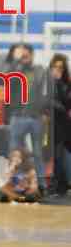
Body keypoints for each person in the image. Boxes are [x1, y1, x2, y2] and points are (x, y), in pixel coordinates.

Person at [7, 43, 48, 194]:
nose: (23, 57)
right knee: (15, 153)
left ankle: (41, 185)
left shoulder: (39, 70)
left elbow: (44, 92)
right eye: (21, 55)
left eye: (26, 54)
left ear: (31, 55)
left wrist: (43, 111)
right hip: (18, 116)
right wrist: (17, 64)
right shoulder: (15, 70)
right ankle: (17, 183)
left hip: (35, 118)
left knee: (37, 153)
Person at [47, 53, 71, 196]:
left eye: (61, 67)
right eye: (55, 67)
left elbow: (66, 103)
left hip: (62, 125)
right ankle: (58, 185)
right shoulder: (46, 82)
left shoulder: (65, 84)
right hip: (49, 124)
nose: (58, 70)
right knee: (53, 156)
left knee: (59, 156)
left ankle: (60, 185)